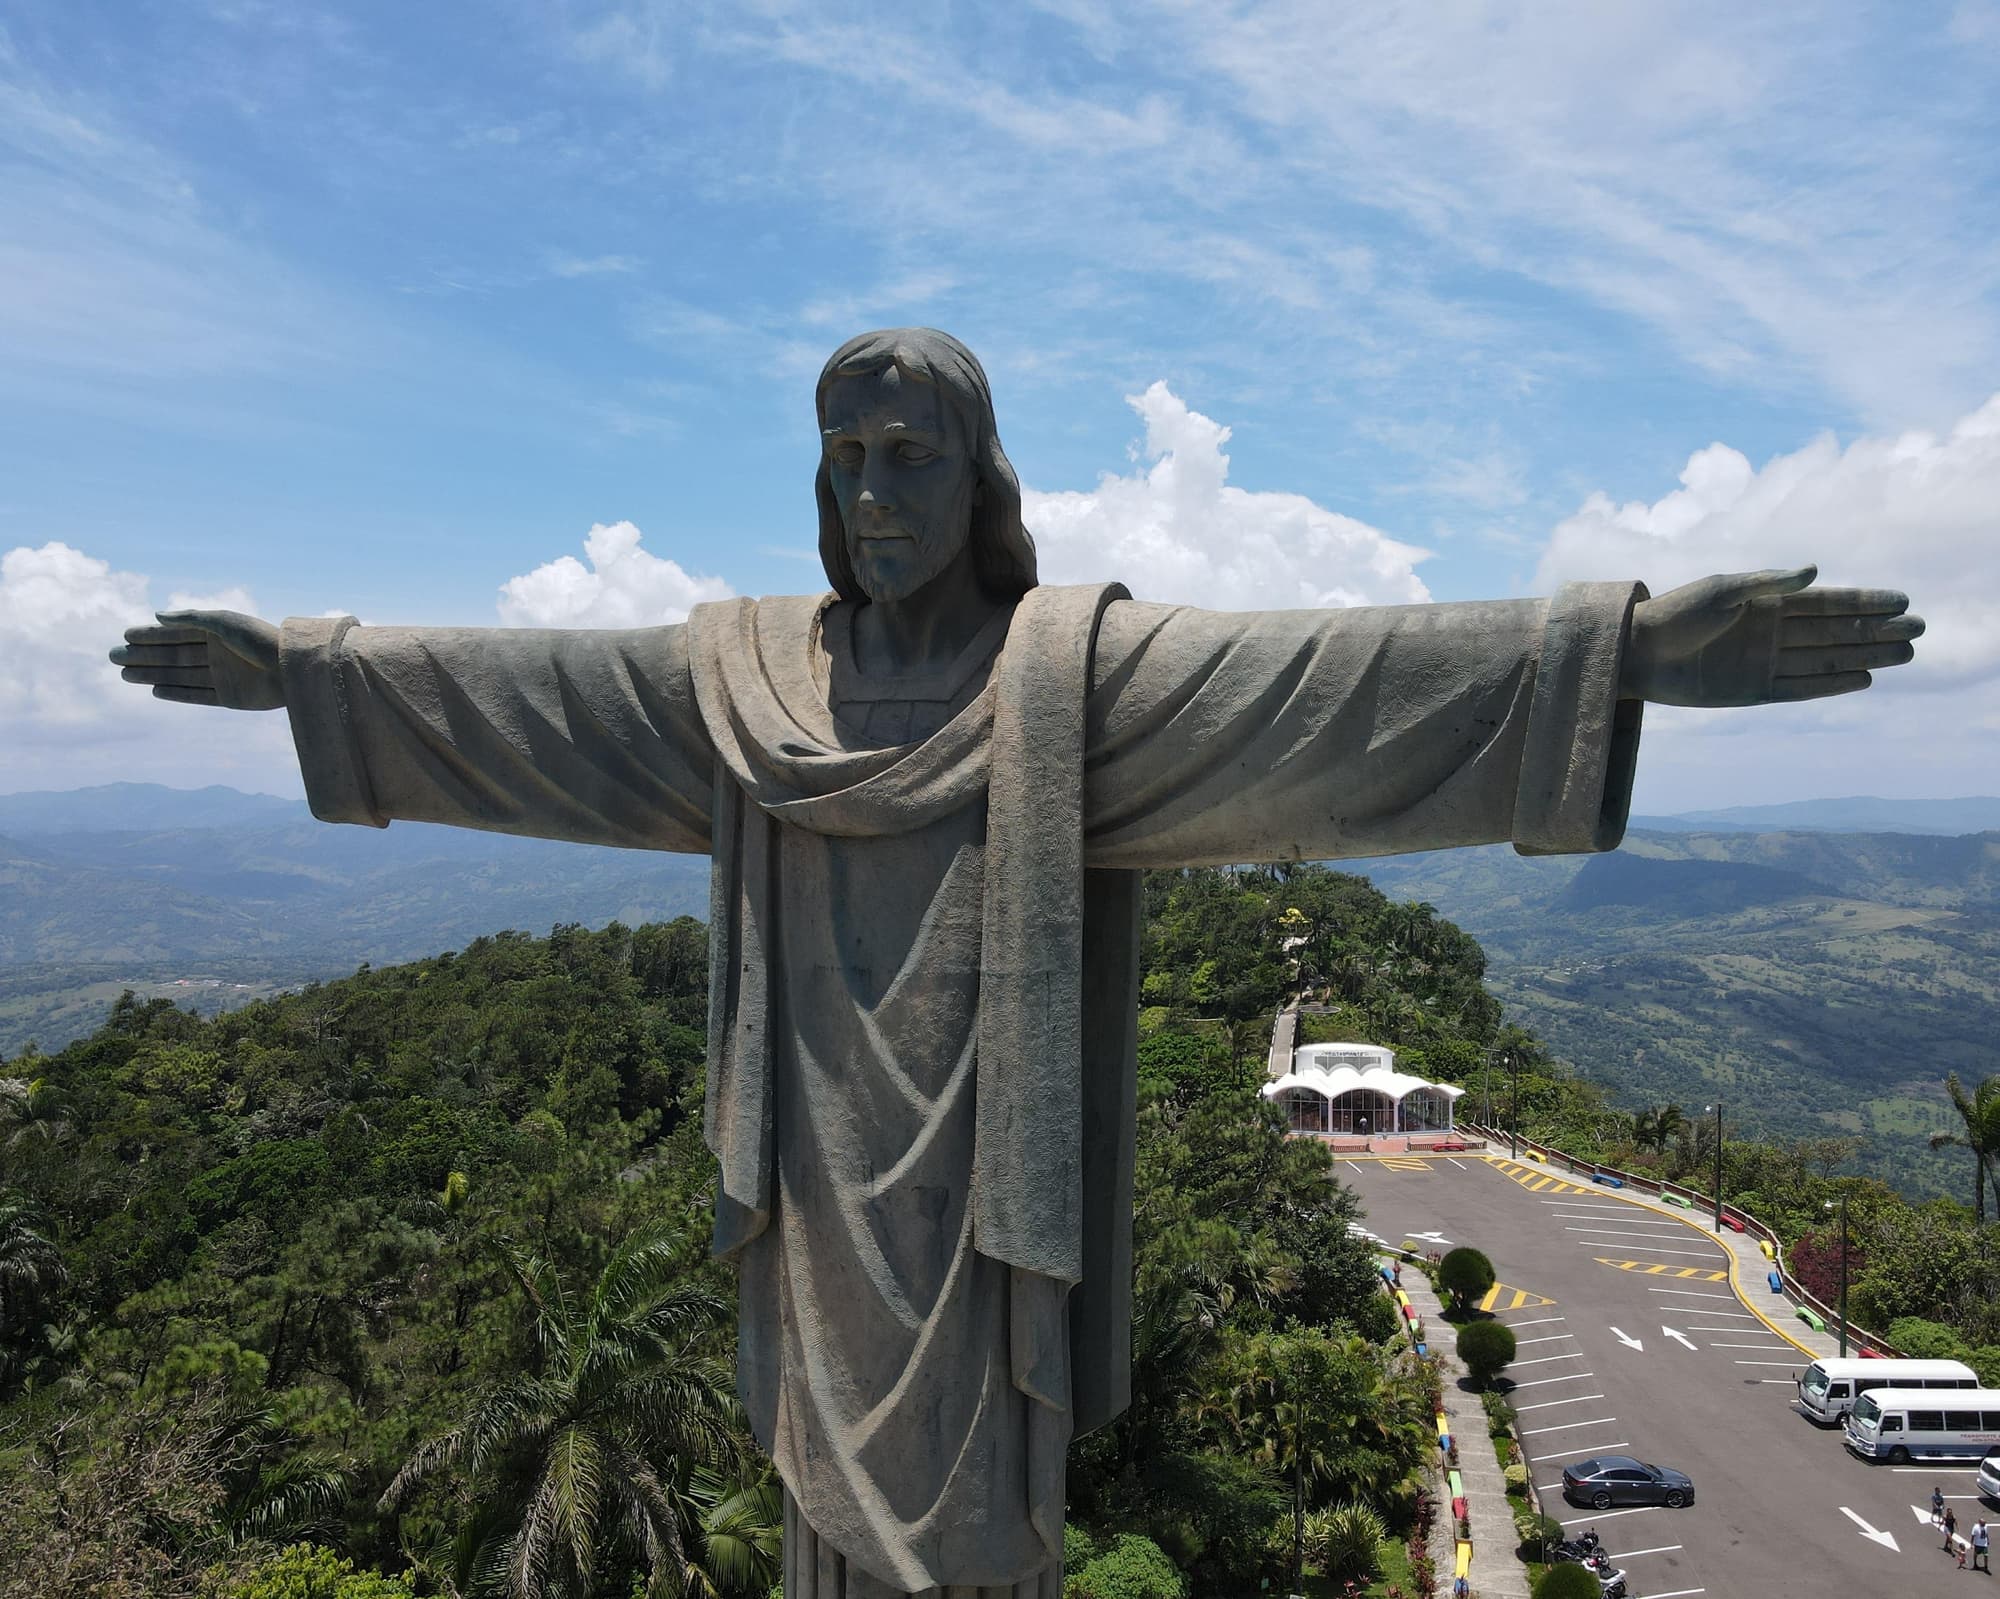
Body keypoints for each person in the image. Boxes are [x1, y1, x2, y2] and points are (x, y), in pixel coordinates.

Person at [108, 327, 1927, 1599]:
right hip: (821, 1211)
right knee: (829, 1528)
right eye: (849, 454)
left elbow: (1335, 684)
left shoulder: (1065, 685)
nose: (878, 486)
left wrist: (1608, 652)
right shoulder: (740, 688)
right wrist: (308, 671)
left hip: (989, 1220)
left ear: (981, 477)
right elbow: (529, 701)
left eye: (917, 454)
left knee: (983, 1541)